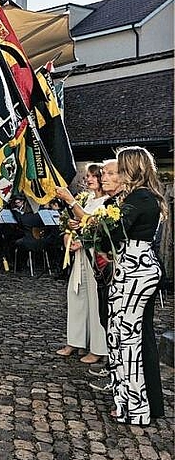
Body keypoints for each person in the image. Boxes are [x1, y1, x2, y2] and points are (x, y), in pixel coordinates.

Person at [104, 147, 165, 425]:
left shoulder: (140, 197)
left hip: (136, 269)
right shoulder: (140, 197)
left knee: (128, 339)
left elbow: (115, 231)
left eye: (120, 167)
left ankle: (136, 408)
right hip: (131, 266)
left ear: (132, 168)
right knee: (119, 335)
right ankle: (125, 400)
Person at [55, 164, 108, 364]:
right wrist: (69, 232)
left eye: (94, 176)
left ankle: (98, 347)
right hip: (80, 256)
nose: (89, 179)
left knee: (95, 301)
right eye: (87, 176)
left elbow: (93, 224)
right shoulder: (86, 199)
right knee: (76, 294)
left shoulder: (107, 202)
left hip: (97, 256)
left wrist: (83, 240)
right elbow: (71, 221)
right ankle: (75, 340)